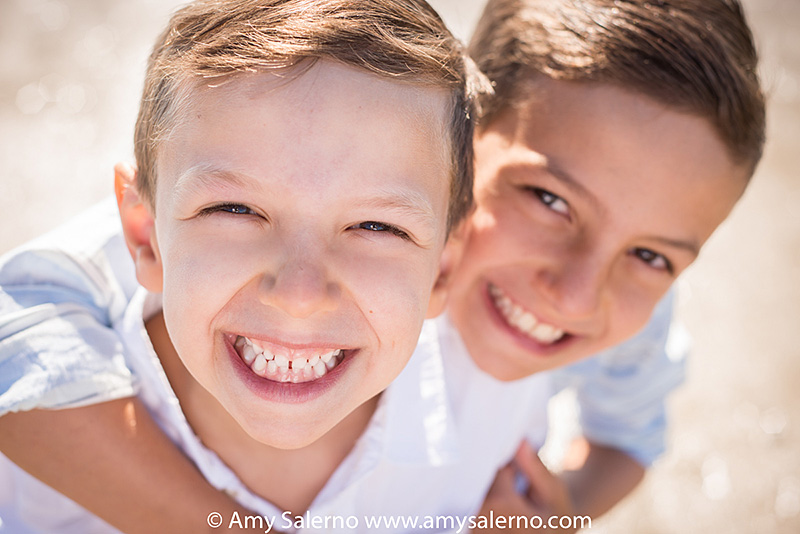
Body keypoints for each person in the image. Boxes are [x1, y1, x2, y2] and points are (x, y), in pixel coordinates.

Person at [0, 0, 766, 532]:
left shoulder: (607, 309)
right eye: (547, 199)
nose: (574, 290)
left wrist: (553, 518)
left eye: (651, 255)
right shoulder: (300, 160)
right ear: (470, 144)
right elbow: (21, 323)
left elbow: (627, 441)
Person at [0, 0, 495, 532]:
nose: (299, 294)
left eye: (377, 227)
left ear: (445, 264)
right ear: (144, 235)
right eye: (234, 210)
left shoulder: (496, 417)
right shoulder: (23, 467)